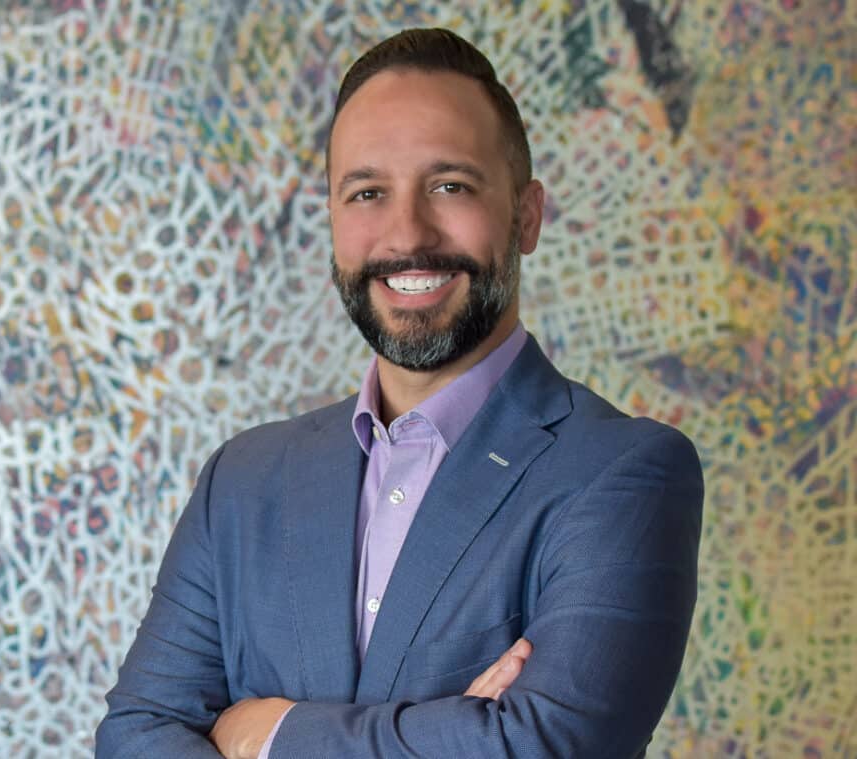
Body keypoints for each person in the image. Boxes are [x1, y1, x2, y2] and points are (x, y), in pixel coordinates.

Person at [96, 27, 703, 759]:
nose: (406, 232)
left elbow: (547, 746)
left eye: (450, 185)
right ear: (332, 219)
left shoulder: (623, 472)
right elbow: (135, 736)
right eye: (367, 192)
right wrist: (455, 732)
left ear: (527, 214)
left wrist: (273, 732)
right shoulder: (243, 482)